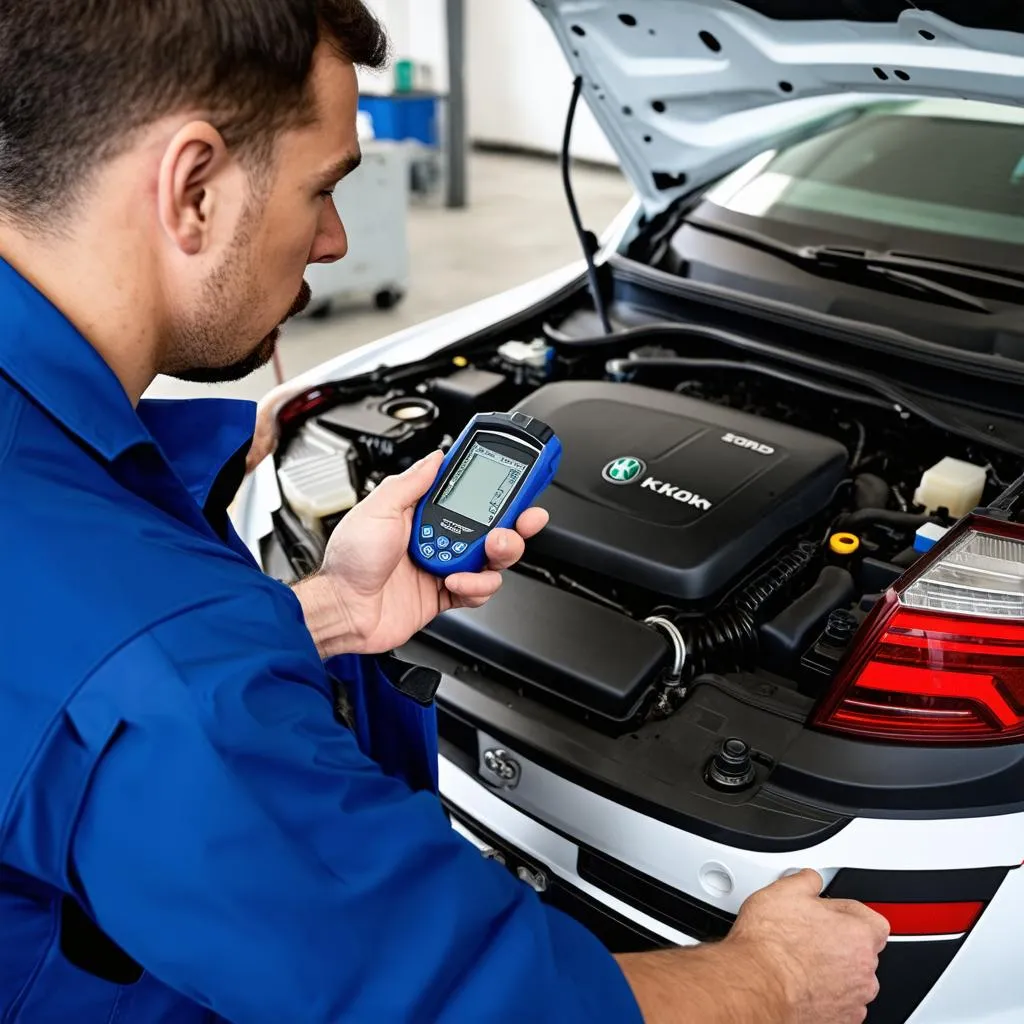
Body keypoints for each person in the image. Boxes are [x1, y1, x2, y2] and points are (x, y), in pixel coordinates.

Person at [0, 2, 888, 1021]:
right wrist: (774, 978)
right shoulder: (163, 665)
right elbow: (461, 1005)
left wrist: (325, 609)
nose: (333, 239)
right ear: (192, 188)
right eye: (323, 187)